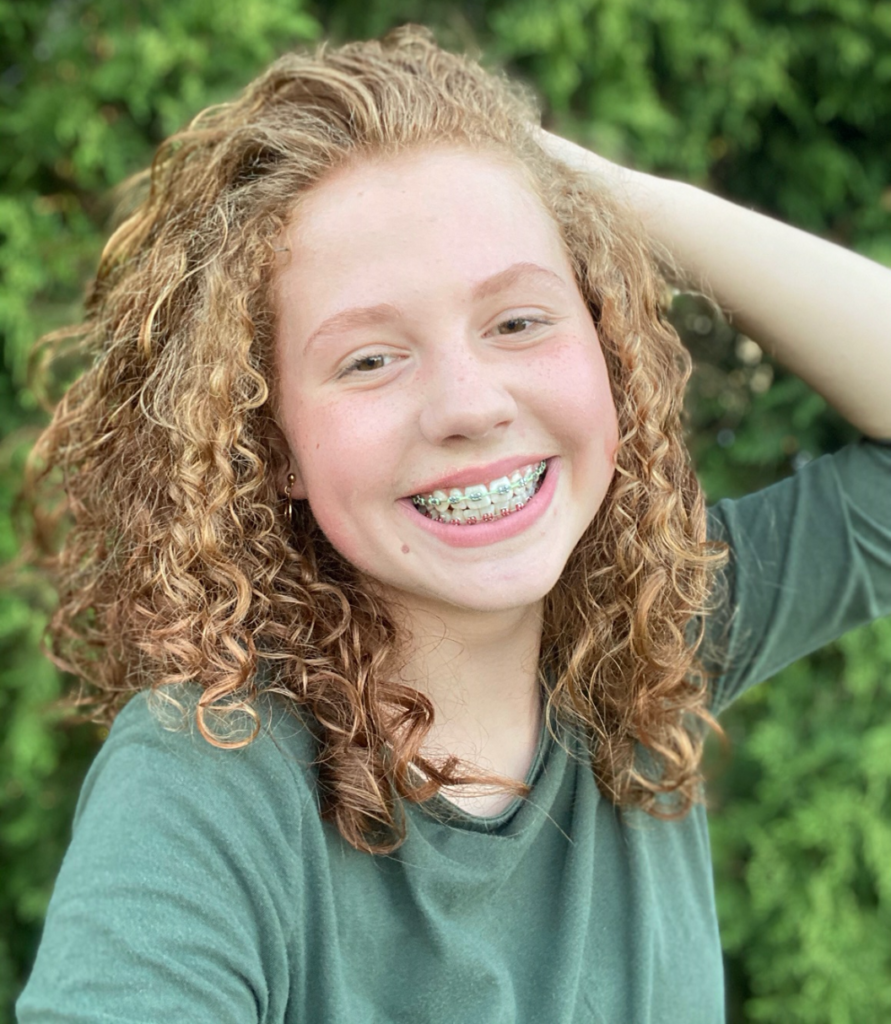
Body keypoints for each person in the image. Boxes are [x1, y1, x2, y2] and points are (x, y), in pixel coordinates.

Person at [15, 24, 891, 1024]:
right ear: (276, 446)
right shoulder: (206, 783)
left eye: (519, 319)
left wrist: (624, 204)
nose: (469, 404)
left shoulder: (647, 645)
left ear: (605, 349)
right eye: (370, 359)